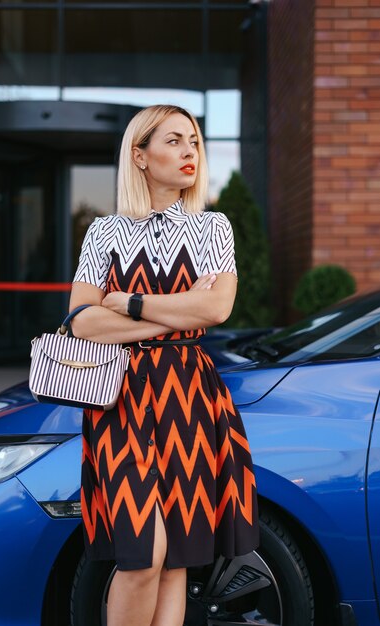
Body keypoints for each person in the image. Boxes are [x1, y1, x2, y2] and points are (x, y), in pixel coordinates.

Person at [69, 104, 259, 626]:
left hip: (190, 398)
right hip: (120, 400)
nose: (189, 152)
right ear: (140, 154)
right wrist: (176, 318)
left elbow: (217, 309)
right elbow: (81, 323)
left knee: (177, 559)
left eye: (194, 141)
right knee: (142, 556)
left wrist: (127, 303)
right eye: (174, 141)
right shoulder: (103, 233)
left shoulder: (212, 227)